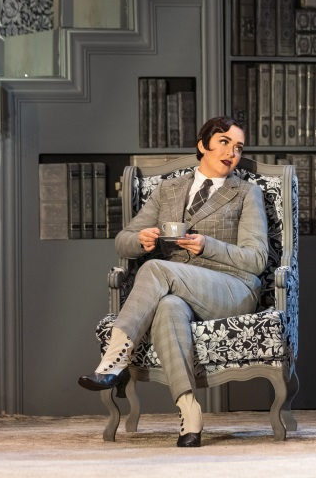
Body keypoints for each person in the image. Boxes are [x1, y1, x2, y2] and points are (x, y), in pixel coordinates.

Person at [78, 116, 269, 447]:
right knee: (167, 306)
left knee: (156, 269)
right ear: (203, 145)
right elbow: (123, 241)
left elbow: (257, 259)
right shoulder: (168, 190)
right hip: (178, 288)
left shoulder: (246, 193)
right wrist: (142, 239)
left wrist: (208, 246)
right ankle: (189, 411)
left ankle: (114, 359)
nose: (232, 153)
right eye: (224, 142)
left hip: (232, 288)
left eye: (238, 148)